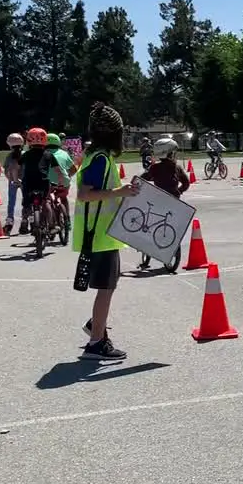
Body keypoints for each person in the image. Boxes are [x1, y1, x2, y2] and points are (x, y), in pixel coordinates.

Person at [74, 102, 138, 360]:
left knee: (107, 286)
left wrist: (123, 188)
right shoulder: (100, 158)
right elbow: (84, 195)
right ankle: (96, 342)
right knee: (106, 288)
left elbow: (102, 191)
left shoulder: (98, 156)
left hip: (103, 233)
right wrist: (120, 192)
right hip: (99, 234)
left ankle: (95, 326)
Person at [137, 136, 191, 270]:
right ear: (170, 153)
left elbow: (144, 178)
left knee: (150, 225)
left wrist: (139, 182)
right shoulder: (176, 167)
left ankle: (147, 255)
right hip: (174, 202)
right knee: (172, 224)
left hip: (159, 201)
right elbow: (186, 183)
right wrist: (179, 191)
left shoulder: (155, 168)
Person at [40, 132, 74, 236]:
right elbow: (73, 169)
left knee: (46, 201)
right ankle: (67, 219)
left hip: (47, 183)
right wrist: (68, 176)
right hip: (63, 182)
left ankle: (48, 223)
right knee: (63, 198)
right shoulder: (64, 153)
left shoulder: (43, 154)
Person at [18, 128, 49, 235]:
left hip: (28, 182)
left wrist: (16, 179)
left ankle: (24, 220)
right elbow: (58, 170)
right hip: (43, 182)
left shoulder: (25, 154)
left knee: (26, 203)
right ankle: (49, 224)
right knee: (45, 202)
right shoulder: (47, 154)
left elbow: (18, 167)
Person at [2, 133, 24, 234]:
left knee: (11, 202)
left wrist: (10, 179)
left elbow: (6, 170)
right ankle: (27, 219)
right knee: (27, 201)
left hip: (12, 181)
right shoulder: (24, 154)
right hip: (25, 180)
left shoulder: (9, 156)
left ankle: (9, 221)